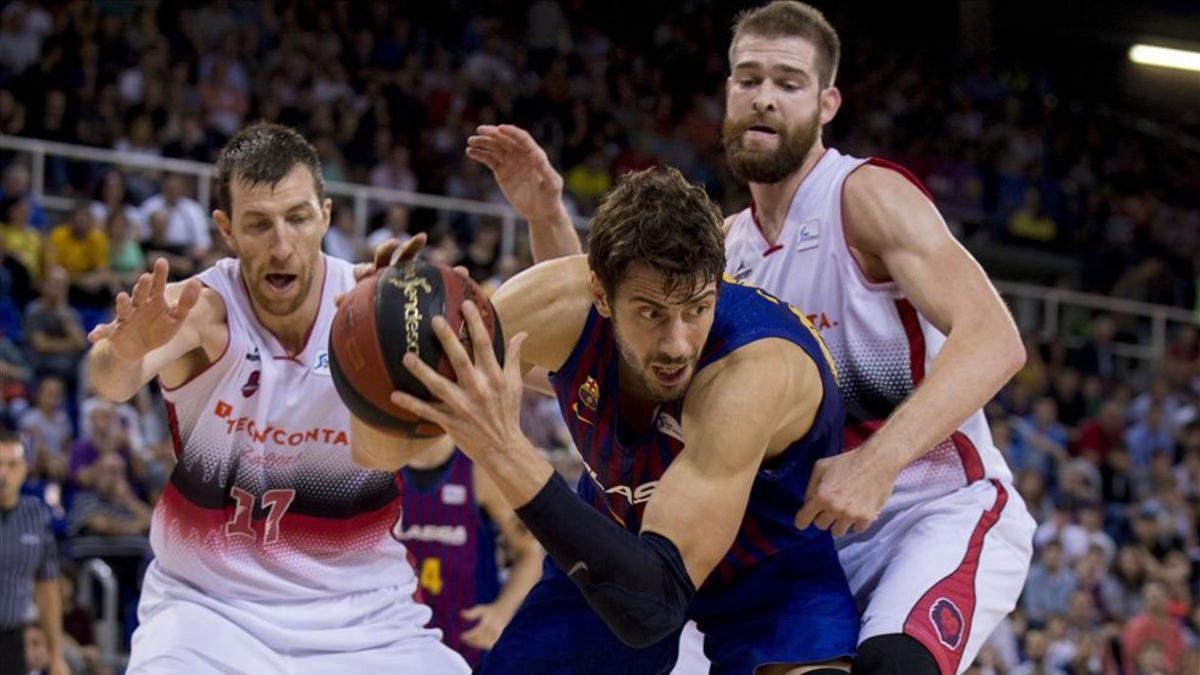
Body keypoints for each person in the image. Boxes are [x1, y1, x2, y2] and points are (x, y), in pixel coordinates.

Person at [468, 4, 1037, 673]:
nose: (764, 97)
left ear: (828, 103)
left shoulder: (864, 197)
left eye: (788, 83)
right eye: (749, 79)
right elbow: (593, 341)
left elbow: (996, 338)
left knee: (893, 666)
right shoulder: (723, 252)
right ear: (728, 94)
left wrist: (878, 460)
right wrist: (546, 215)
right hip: (803, 538)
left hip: (926, 508)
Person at [361, 167, 859, 674]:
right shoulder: (551, 305)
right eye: (650, 313)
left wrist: (504, 449)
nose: (677, 343)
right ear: (599, 294)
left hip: (767, 565)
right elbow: (378, 451)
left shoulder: (750, 375)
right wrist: (377, 344)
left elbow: (652, 607)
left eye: (697, 308)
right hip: (616, 540)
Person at [86, 123, 468, 673]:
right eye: (259, 225)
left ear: (326, 216)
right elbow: (111, 382)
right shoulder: (198, 310)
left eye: (297, 218)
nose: (282, 244)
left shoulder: (372, 312)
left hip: (363, 613)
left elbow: (426, 455)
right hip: (209, 609)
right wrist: (123, 352)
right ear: (226, 230)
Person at [399, 435, 544, 667]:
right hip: (401, 636)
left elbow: (530, 552)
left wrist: (503, 612)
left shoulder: (480, 472)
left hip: (467, 638)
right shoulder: (381, 472)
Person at [0, 436, 67, 675]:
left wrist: (56, 655)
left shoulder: (36, 515)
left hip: (14, 639)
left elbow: (47, 591)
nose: (3, 473)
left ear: (24, 470)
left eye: (12, 465)